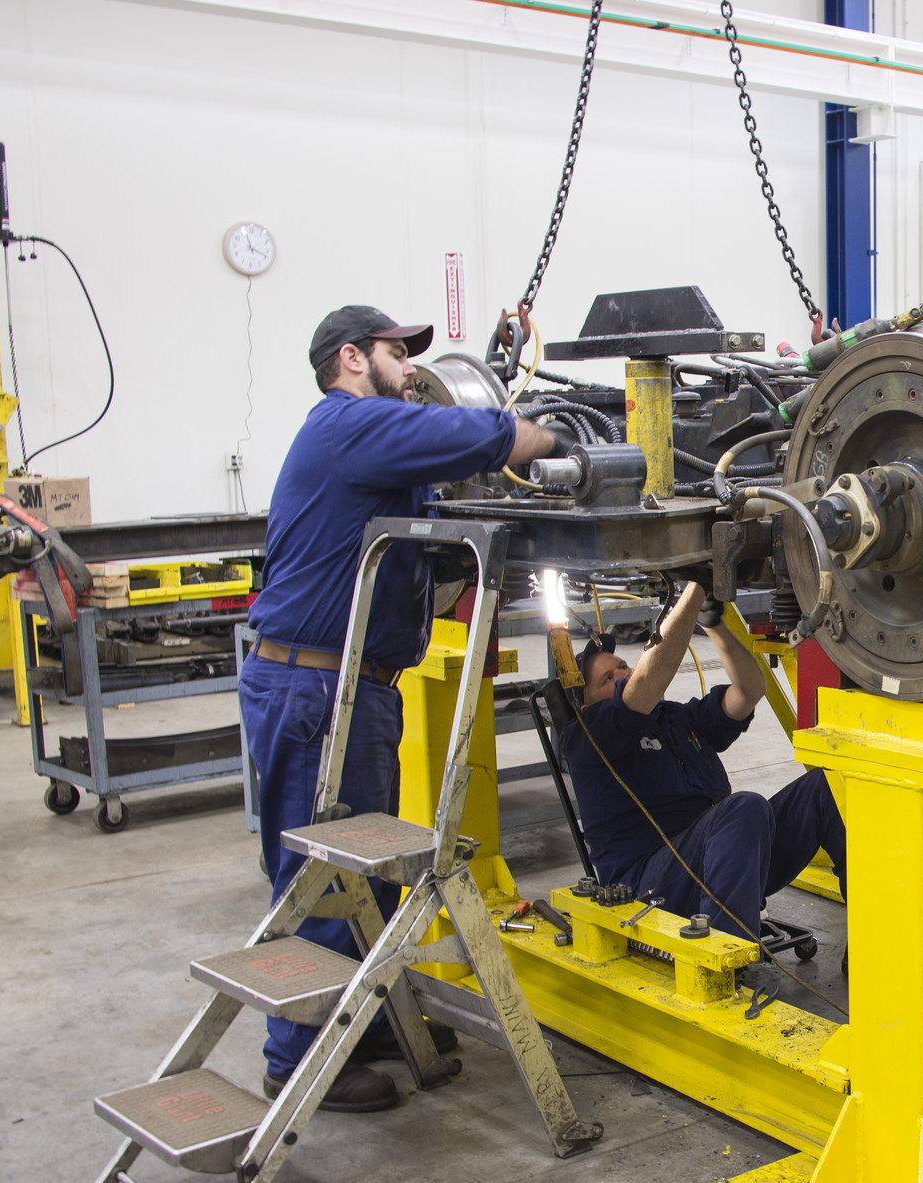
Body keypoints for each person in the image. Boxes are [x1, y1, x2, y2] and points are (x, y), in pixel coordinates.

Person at [242, 305, 572, 1113]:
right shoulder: (348, 424)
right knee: (323, 879)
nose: (410, 369)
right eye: (398, 353)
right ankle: (296, 1061)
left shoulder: (374, 449)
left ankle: (365, 1020)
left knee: (373, 877)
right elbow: (478, 440)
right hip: (315, 688)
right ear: (352, 359)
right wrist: (549, 437)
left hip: (353, 688)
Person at [566, 579, 846, 942]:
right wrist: (696, 584)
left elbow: (748, 692)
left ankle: (874, 930)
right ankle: (725, 961)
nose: (624, 674)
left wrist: (714, 624)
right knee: (743, 809)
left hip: (726, 860)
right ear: (586, 705)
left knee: (826, 787)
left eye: (623, 665)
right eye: (609, 677)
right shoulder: (589, 734)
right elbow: (645, 685)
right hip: (649, 887)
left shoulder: (675, 718)